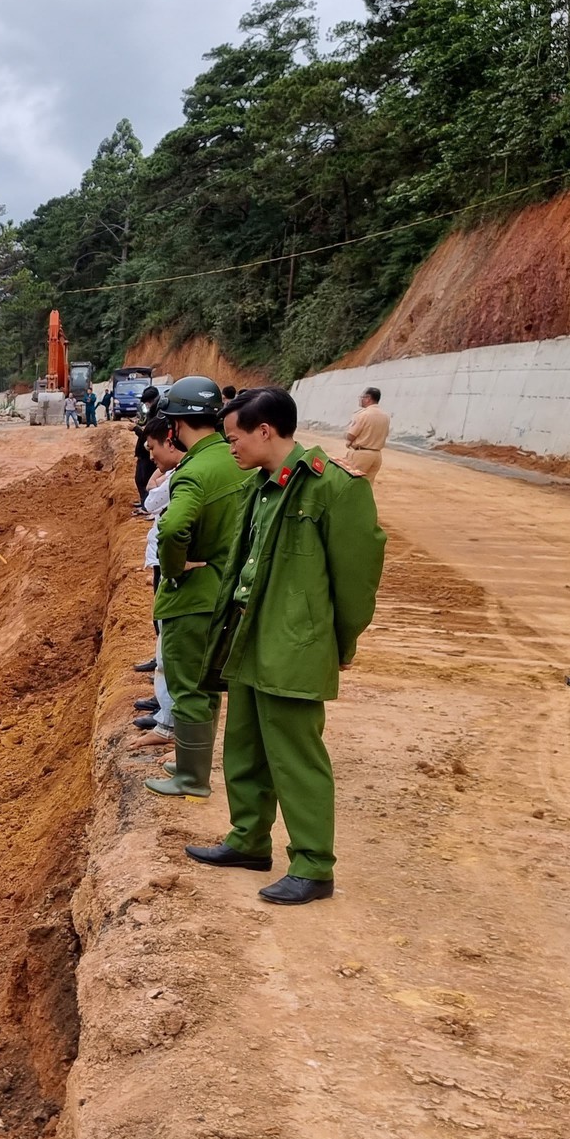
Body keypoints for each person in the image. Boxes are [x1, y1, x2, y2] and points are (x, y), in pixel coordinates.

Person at [185, 387, 386, 905]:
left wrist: (337, 644)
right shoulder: (263, 486)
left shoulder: (334, 489)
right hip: (250, 638)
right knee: (245, 746)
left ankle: (314, 865)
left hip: (294, 644)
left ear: (264, 431)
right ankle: (249, 839)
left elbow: (357, 581)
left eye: (234, 438)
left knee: (296, 755)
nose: (229, 448)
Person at [143, 377, 246, 799]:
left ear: (175, 426)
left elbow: (172, 527)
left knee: (187, 686)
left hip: (195, 594)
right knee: (207, 684)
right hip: (226, 587)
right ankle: (191, 761)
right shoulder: (231, 459)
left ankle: (190, 776)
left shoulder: (195, 470)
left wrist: (173, 568)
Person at [132, 417, 186, 747]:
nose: (150, 455)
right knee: (163, 638)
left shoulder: (187, 474)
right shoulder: (186, 470)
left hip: (177, 570)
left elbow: (153, 503)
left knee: (170, 644)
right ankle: (165, 709)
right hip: (167, 562)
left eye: (152, 448)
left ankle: (168, 720)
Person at [342, 387, 390, 483]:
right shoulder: (385, 416)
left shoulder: (364, 414)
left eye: (362, 397)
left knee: (350, 482)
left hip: (361, 454)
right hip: (376, 455)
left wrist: (346, 437)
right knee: (367, 485)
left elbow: (351, 435)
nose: (360, 399)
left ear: (368, 398)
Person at [131, 386, 163, 511]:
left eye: (147, 402)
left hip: (147, 453)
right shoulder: (151, 414)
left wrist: (135, 429)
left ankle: (147, 506)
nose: (146, 404)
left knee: (145, 480)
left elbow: (149, 435)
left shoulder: (157, 414)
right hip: (144, 452)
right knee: (140, 479)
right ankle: (144, 502)